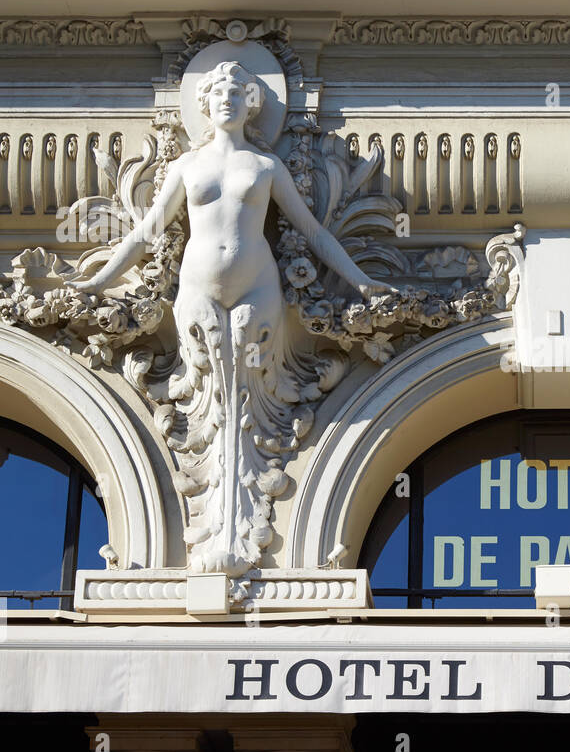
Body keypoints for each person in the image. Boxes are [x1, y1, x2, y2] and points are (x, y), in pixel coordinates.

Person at [69, 61, 392, 576]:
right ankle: (218, 511)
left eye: (236, 94)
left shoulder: (265, 168)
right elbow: (147, 232)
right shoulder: (187, 167)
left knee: (247, 390)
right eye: (217, 93)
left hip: (258, 285)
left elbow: (311, 232)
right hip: (198, 286)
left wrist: (359, 278)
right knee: (212, 392)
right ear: (203, 105)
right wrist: (98, 280)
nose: (226, 101)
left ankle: (243, 506)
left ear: (252, 105)